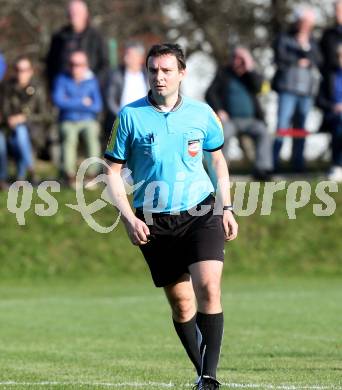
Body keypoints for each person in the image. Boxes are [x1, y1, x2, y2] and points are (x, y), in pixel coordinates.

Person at [104, 43, 238, 389]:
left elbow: (218, 161)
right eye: (153, 70)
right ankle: (201, 371)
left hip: (200, 211)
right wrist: (128, 219)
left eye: (166, 70)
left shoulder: (202, 114)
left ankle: (209, 377)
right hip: (153, 220)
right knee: (182, 305)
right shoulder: (130, 117)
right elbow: (113, 172)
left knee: (208, 286)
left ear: (181, 73)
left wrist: (226, 206)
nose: (158, 77)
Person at [205, 46, 273, 181]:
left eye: (241, 59)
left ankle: (262, 170)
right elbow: (210, 93)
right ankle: (219, 170)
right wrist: (219, 110)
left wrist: (249, 69)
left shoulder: (251, 76)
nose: (237, 62)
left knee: (263, 132)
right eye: (235, 58)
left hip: (251, 120)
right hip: (230, 121)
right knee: (222, 135)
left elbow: (261, 87)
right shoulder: (224, 73)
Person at [272, 6, 321, 172]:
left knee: (301, 128)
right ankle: (273, 163)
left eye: (310, 23)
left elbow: (318, 60)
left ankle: (298, 164)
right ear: (298, 21)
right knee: (282, 126)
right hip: (287, 89)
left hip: (306, 92)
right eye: (304, 22)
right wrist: (297, 59)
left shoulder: (313, 41)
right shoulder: (285, 38)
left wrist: (306, 50)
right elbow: (279, 58)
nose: (307, 25)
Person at [52, 50, 103, 187]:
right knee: (69, 137)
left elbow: (97, 106)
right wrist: (82, 101)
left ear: (85, 65)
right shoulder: (61, 79)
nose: (75, 67)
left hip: (88, 120)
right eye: (72, 64)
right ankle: (69, 175)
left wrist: (70, 101)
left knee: (92, 135)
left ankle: (92, 175)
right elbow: (58, 101)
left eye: (79, 64)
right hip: (68, 119)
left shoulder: (92, 81)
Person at [1, 56, 47, 181]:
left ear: (31, 71)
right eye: (18, 69)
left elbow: (44, 115)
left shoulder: (38, 88)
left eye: (25, 70)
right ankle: (25, 172)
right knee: (13, 138)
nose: (21, 73)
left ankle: (23, 173)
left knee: (20, 134)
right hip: (8, 127)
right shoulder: (7, 87)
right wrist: (9, 119)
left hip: (33, 130)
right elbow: (4, 111)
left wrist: (24, 118)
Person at [46, 0, 109, 91]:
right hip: (64, 89)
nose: (74, 16)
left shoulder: (97, 37)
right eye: (72, 13)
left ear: (86, 14)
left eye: (77, 13)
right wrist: (53, 87)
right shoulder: (59, 37)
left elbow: (105, 65)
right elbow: (51, 64)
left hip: (90, 89)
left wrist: (94, 85)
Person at [105, 41, 148, 138]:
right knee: (114, 150)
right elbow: (110, 99)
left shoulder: (148, 76)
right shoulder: (116, 75)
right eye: (125, 54)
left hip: (144, 120)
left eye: (130, 55)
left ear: (140, 58)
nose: (126, 57)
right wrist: (121, 115)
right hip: (120, 120)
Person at [317, 44, 342, 182]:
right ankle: (337, 165)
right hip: (333, 115)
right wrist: (334, 106)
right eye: (340, 56)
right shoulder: (329, 77)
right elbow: (319, 100)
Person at [320, 0, 342, 74]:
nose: (337, 14)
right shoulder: (328, 34)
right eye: (336, 10)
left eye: (340, 11)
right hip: (333, 77)